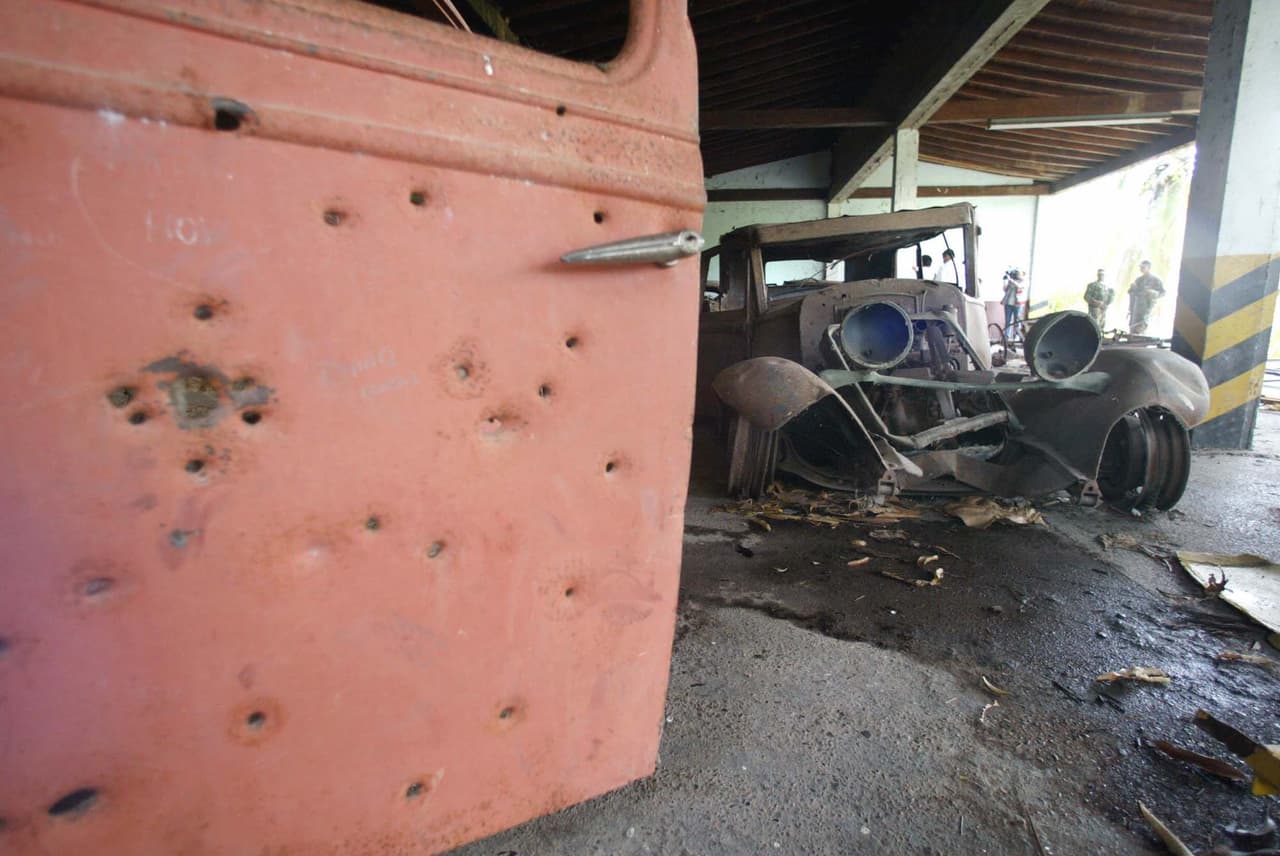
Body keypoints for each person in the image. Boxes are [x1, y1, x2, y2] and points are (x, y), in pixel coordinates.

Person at [1127, 260, 1165, 335]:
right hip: (1136, 307)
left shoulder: (1155, 280)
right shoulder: (1138, 280)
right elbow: (1131, 293)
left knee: (1142, 327)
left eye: (1143, 267)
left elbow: (1162, 293)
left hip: (1147, 307)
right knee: (1133, 327)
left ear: (1149, 268)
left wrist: (1153, 293)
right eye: (1140, 267)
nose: (1141, 269)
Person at [1002, 268, 1025, 341]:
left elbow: (1019, 287)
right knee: (1008, 320)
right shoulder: (1010, 281)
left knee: (1017, 321)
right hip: (1008, 303)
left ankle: (1016, 336)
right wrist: (1005, 281)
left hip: (1018, 304)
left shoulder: (1023, 282)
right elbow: (1005, 289)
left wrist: (1010, 280)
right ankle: (1006, 336)